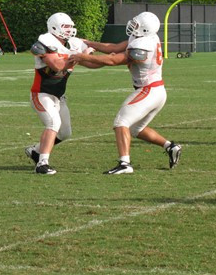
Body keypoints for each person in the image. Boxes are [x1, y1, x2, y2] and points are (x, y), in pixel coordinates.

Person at [69, 11, 182, 174]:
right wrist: (87, 42)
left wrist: (82, 56)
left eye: (137, 24)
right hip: (155, 91)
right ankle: (170, 146)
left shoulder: (143, 45)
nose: (133, 25)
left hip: (148, 90)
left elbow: (113, 60)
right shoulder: (142, 38)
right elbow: (113, 48)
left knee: (121, 122)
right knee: (136, 129)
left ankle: (125, 164)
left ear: (144, 30)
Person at [25, 12, 98, 174]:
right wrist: (79, 57)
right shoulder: (45, 41)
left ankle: (36, 151)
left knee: (65, 133)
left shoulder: (73, 44)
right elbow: (57, 65)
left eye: (71, 26)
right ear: (54, 27)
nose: (69, 30)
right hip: (41, 93)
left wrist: (105, 60)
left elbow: (92, 63)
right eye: (66, 27)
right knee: (53, 124)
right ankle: (42, 164)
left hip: (59, 96)